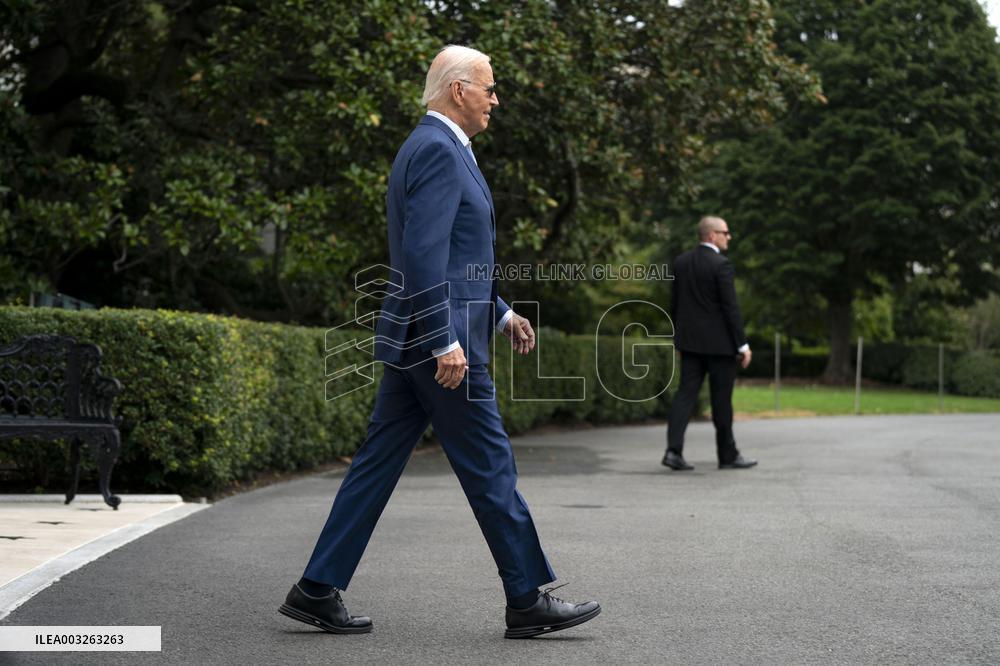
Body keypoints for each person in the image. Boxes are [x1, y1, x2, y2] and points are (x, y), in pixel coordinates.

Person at [279, 45, 600, 639]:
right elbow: (422, 256)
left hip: (421, 340)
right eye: (490, 88)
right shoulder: (437, 149)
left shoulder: (432, 148)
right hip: (440, 347)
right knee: (491, 466)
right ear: (459, 91)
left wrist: (501, 314)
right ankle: (527, 599)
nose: (495, 100)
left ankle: (316, 587)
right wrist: (442, 338)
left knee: (375, 466)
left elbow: (456, 255)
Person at [662, 216, 758, 472]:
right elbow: (730, 308)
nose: (729, 237)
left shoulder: (681, 262)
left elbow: (675, 304)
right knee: (721, 400)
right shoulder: (721, 265)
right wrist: (742, 345)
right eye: (726, 232)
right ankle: (727, 455)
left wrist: (678, 340)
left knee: (685, 396)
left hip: (690, 344)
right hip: (720, 347)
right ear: (712, 235)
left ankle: (673, 451)